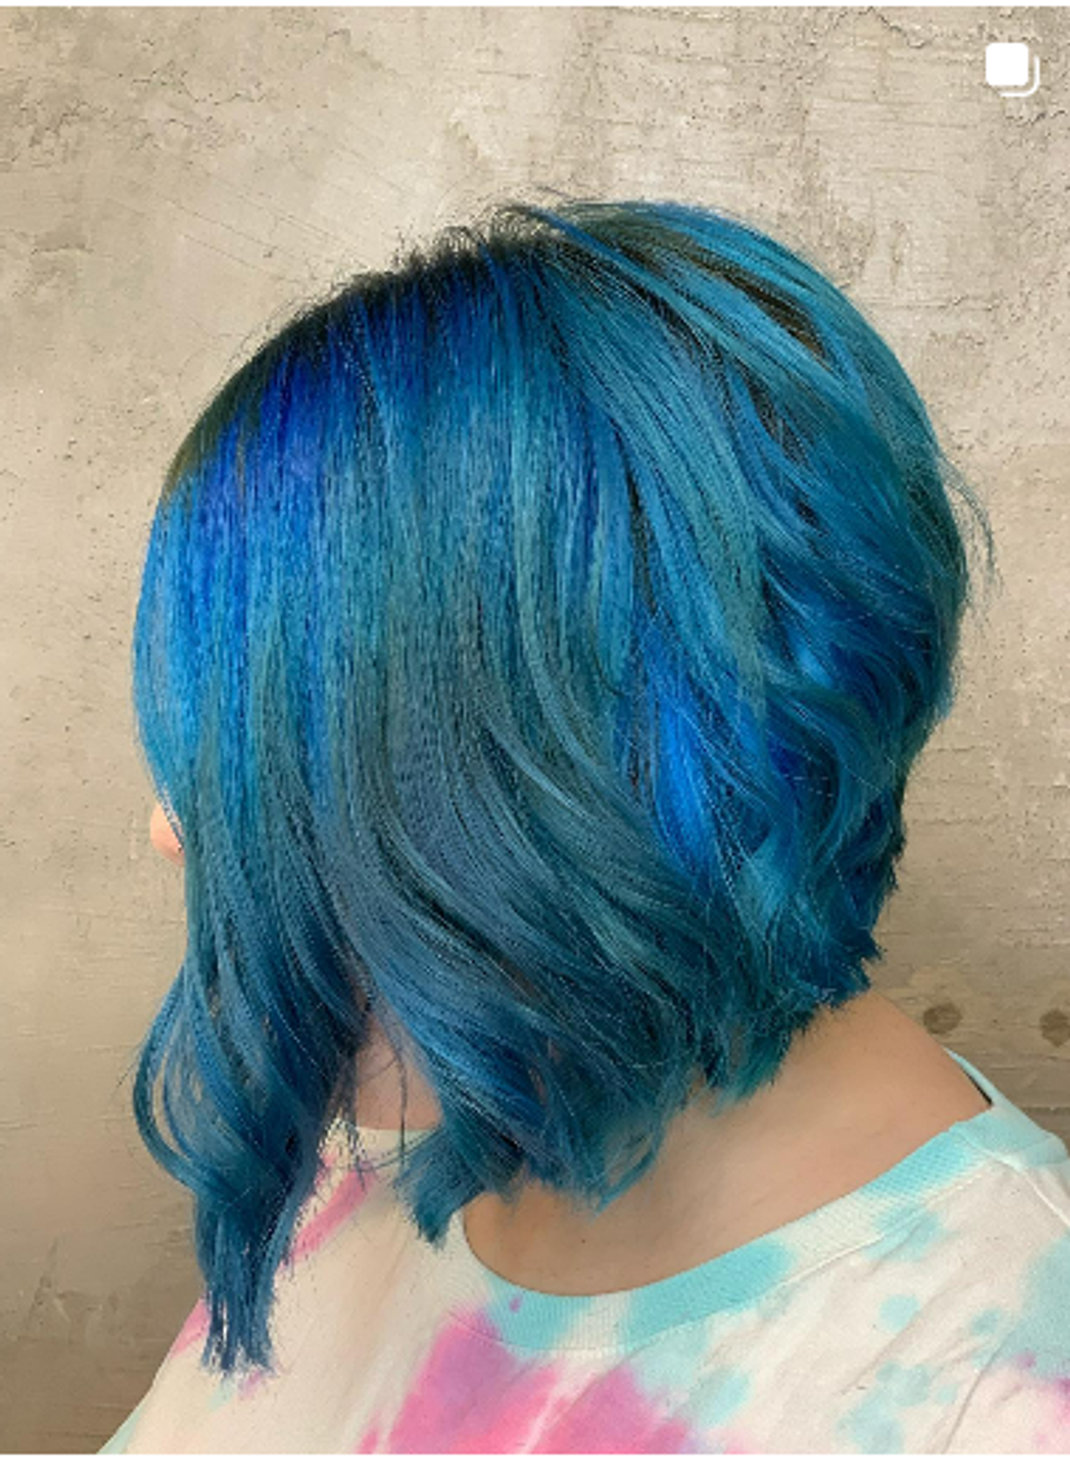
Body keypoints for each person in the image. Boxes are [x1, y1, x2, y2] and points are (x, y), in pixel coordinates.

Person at [102, 197, 1070, 1454]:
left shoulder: (991, 1399)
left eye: (265, 762)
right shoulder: (396, 1133)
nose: (172, 832)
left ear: (541, 784)